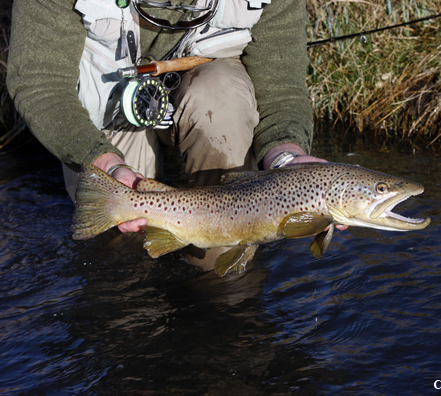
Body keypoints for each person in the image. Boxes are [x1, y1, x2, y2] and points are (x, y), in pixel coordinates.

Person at [7, 0, 343, 271]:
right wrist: (107, 165)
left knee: (220, 96)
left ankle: (219, 296)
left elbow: (281, 90)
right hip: (107, 109)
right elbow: (41, 84)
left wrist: (287, 158)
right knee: (120, 251)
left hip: (209, 97)